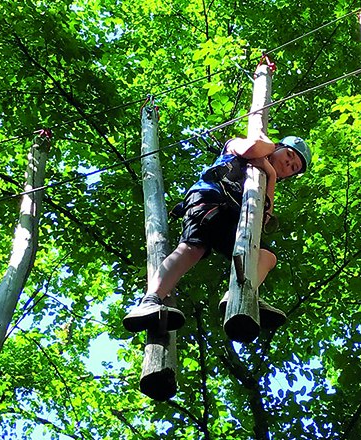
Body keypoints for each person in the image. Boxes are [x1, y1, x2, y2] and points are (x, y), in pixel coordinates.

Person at [123, 134, 311, 333]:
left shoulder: (265, 178)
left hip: (234, 219)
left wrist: (271, 175)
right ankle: (150, 299)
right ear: (279, 147)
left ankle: (241, 291)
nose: (289, 163)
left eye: (293, 168)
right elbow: (251, 150)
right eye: (289, 155)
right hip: (209, 199)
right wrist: (269, 145)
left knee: (266, 255)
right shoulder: (234, 146)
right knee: (193, 248)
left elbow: (263, 220)